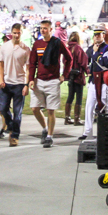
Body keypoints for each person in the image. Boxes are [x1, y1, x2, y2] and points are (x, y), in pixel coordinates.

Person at [27, 20, 71, 149]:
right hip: (39, 80)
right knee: (35, 108)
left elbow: (69, 59)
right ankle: (45, 128)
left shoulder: (58, 43)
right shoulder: (37, 44)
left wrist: (64, 75)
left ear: (51, 30)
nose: (43, 30)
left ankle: (50, 137)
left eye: (45, 28)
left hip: (52, 80)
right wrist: (30, 79)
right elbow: (32, 63)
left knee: (51, 110)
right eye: (41, 28)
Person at [79, 25, 108, 140]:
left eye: (99, 34)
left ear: (103, 35)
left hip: (104, 82)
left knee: (105, 106)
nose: (97, 37)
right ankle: (87, 131)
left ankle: (106, 131)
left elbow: (105, 63)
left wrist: (95, 54)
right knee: (89, 106)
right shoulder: (91, 48)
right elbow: (86, 61)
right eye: (95, 35)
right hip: (93, 82)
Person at [0, 24, 30, 147]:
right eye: (14, 33)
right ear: (11, 33)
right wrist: (0, 79)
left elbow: (28, 69)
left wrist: (26, 84)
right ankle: (11, 126)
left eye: (19, 33)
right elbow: (0, 64)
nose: (16, 35)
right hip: (6, 83)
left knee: (18, 112)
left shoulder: (26, 49)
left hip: (19, 84)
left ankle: (15, 136)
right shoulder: (4, 47)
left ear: (22, 33)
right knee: (2, 108)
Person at [64, 32, 88, 126]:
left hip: (70, 75)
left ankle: (67, 117)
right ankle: (76, 119)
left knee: (70, 96)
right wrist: (87, 71)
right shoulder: (78, 48)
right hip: (78, 75)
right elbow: (83, 62)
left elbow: (64, 61)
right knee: (79, 97)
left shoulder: (67, 48)